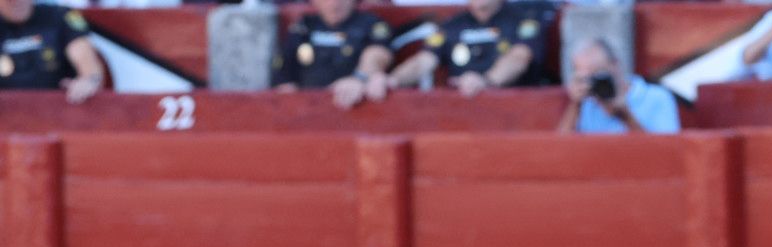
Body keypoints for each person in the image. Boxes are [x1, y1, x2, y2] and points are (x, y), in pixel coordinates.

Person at [380, 0, 550, 97]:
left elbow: (519, 58)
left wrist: (485, 81)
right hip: (459, 109)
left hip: (513, 108)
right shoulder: (451, 25)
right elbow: (423, 60)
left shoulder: (524, 21)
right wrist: (392, 80)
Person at [271, 0, 394, 110]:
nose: (334, 3)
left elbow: (379, 54)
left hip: (355, 106)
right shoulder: (304, 25)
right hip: (309, 109)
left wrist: (358, 78)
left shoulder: (371, 23)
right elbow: (284, 71)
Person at [557, 37, 680, 134]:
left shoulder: (657, 97)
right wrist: (575, 105)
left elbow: (666, 152)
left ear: (615, 64)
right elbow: (559, 152)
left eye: (597, 74)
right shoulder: (586, 103)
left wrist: (625, 116)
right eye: (585, 79)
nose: (593, 83)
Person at [0, 0, 105, 103]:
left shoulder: (61, 16)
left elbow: (89, 66)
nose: (16, 1)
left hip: (61, 110)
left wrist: (88, 82)